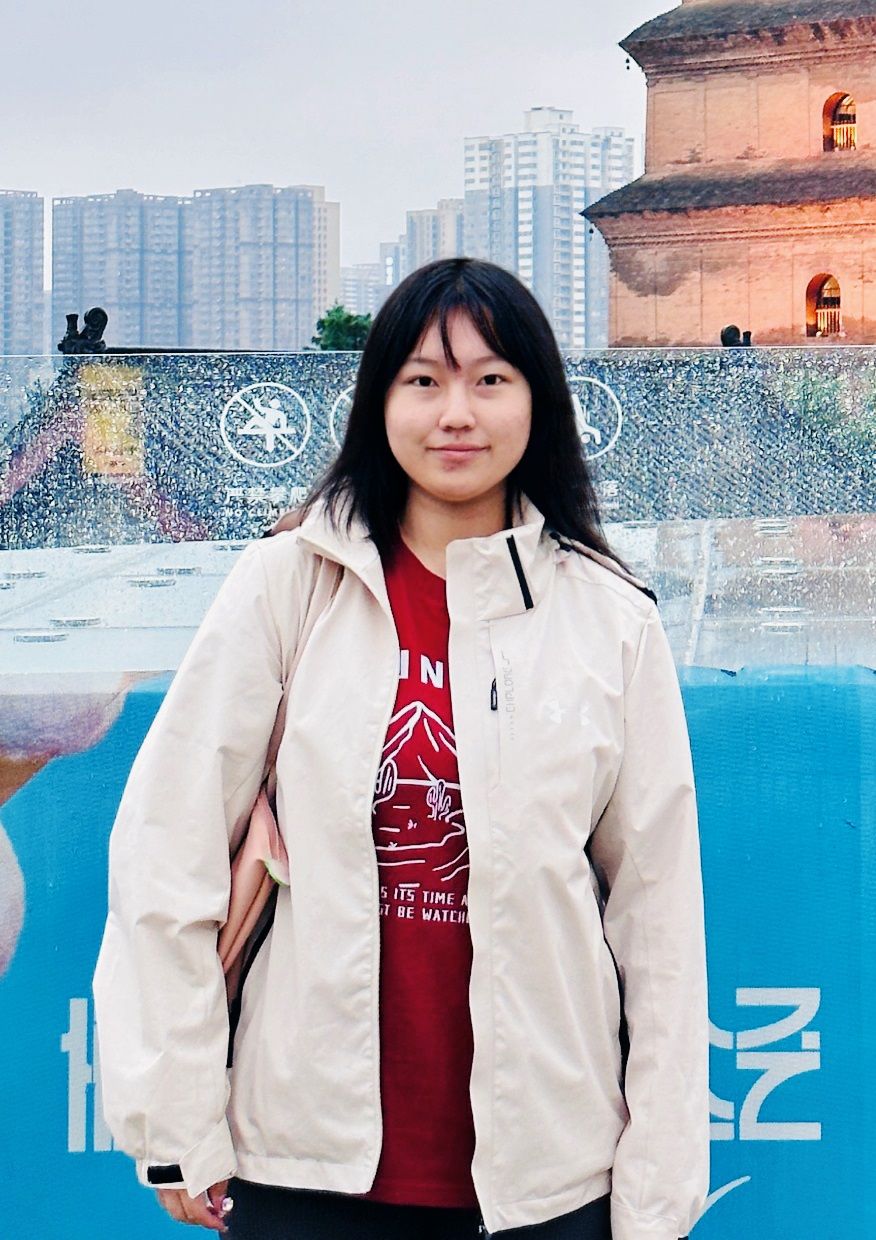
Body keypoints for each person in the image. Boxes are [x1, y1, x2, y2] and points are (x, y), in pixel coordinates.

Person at [94, 258, 709, 1240]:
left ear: (539, 404)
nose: (455, 413)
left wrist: (657, 1197)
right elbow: (168, 850)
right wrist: (174, 1122)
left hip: (547, 1184)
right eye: (424, 380)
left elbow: (659, 920)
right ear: (379, 401)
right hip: (305, 1172)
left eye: (491, 379)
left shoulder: (609, 619)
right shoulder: (290, 585)